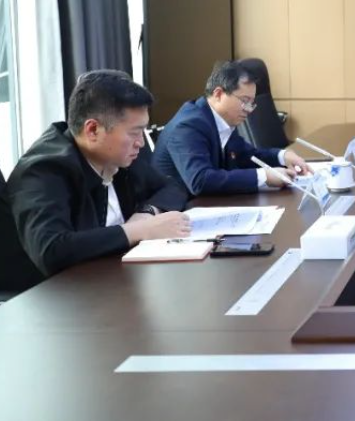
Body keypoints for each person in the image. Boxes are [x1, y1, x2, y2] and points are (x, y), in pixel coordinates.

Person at [0, 70, 190, 295]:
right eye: (135, 133)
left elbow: (173, 186)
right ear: (92, 130)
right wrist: (139, 230)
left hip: (111, 283)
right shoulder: (43, 172)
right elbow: (51, 250)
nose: (141, 142)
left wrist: (147, 213)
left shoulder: (115, 155)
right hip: (50, 299)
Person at [153, 60, 312, 196]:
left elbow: (248, 156)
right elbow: (200, 180)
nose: (249, 109)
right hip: (175, 210)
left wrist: (283, 156)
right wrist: (264, 176)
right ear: (218, 94)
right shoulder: (189, 125)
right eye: (244, 101)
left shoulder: (221, 119)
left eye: (251, 103)